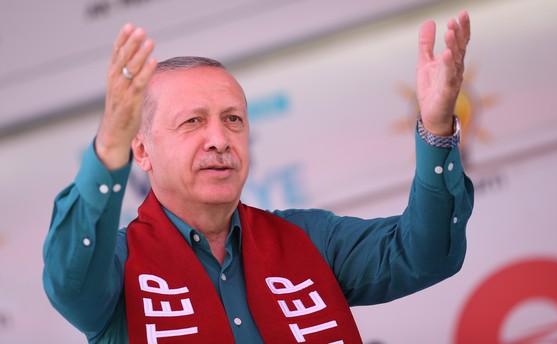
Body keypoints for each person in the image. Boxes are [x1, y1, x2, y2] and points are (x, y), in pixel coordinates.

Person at [43, 10, 473, 344]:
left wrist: (436, 131)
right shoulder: (118, 265)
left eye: (233, 119)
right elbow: (69, 278)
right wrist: (107, 149)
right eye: (192, 121)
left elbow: (426, 254)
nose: (219, 140)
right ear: (141, 150)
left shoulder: (308, 238)